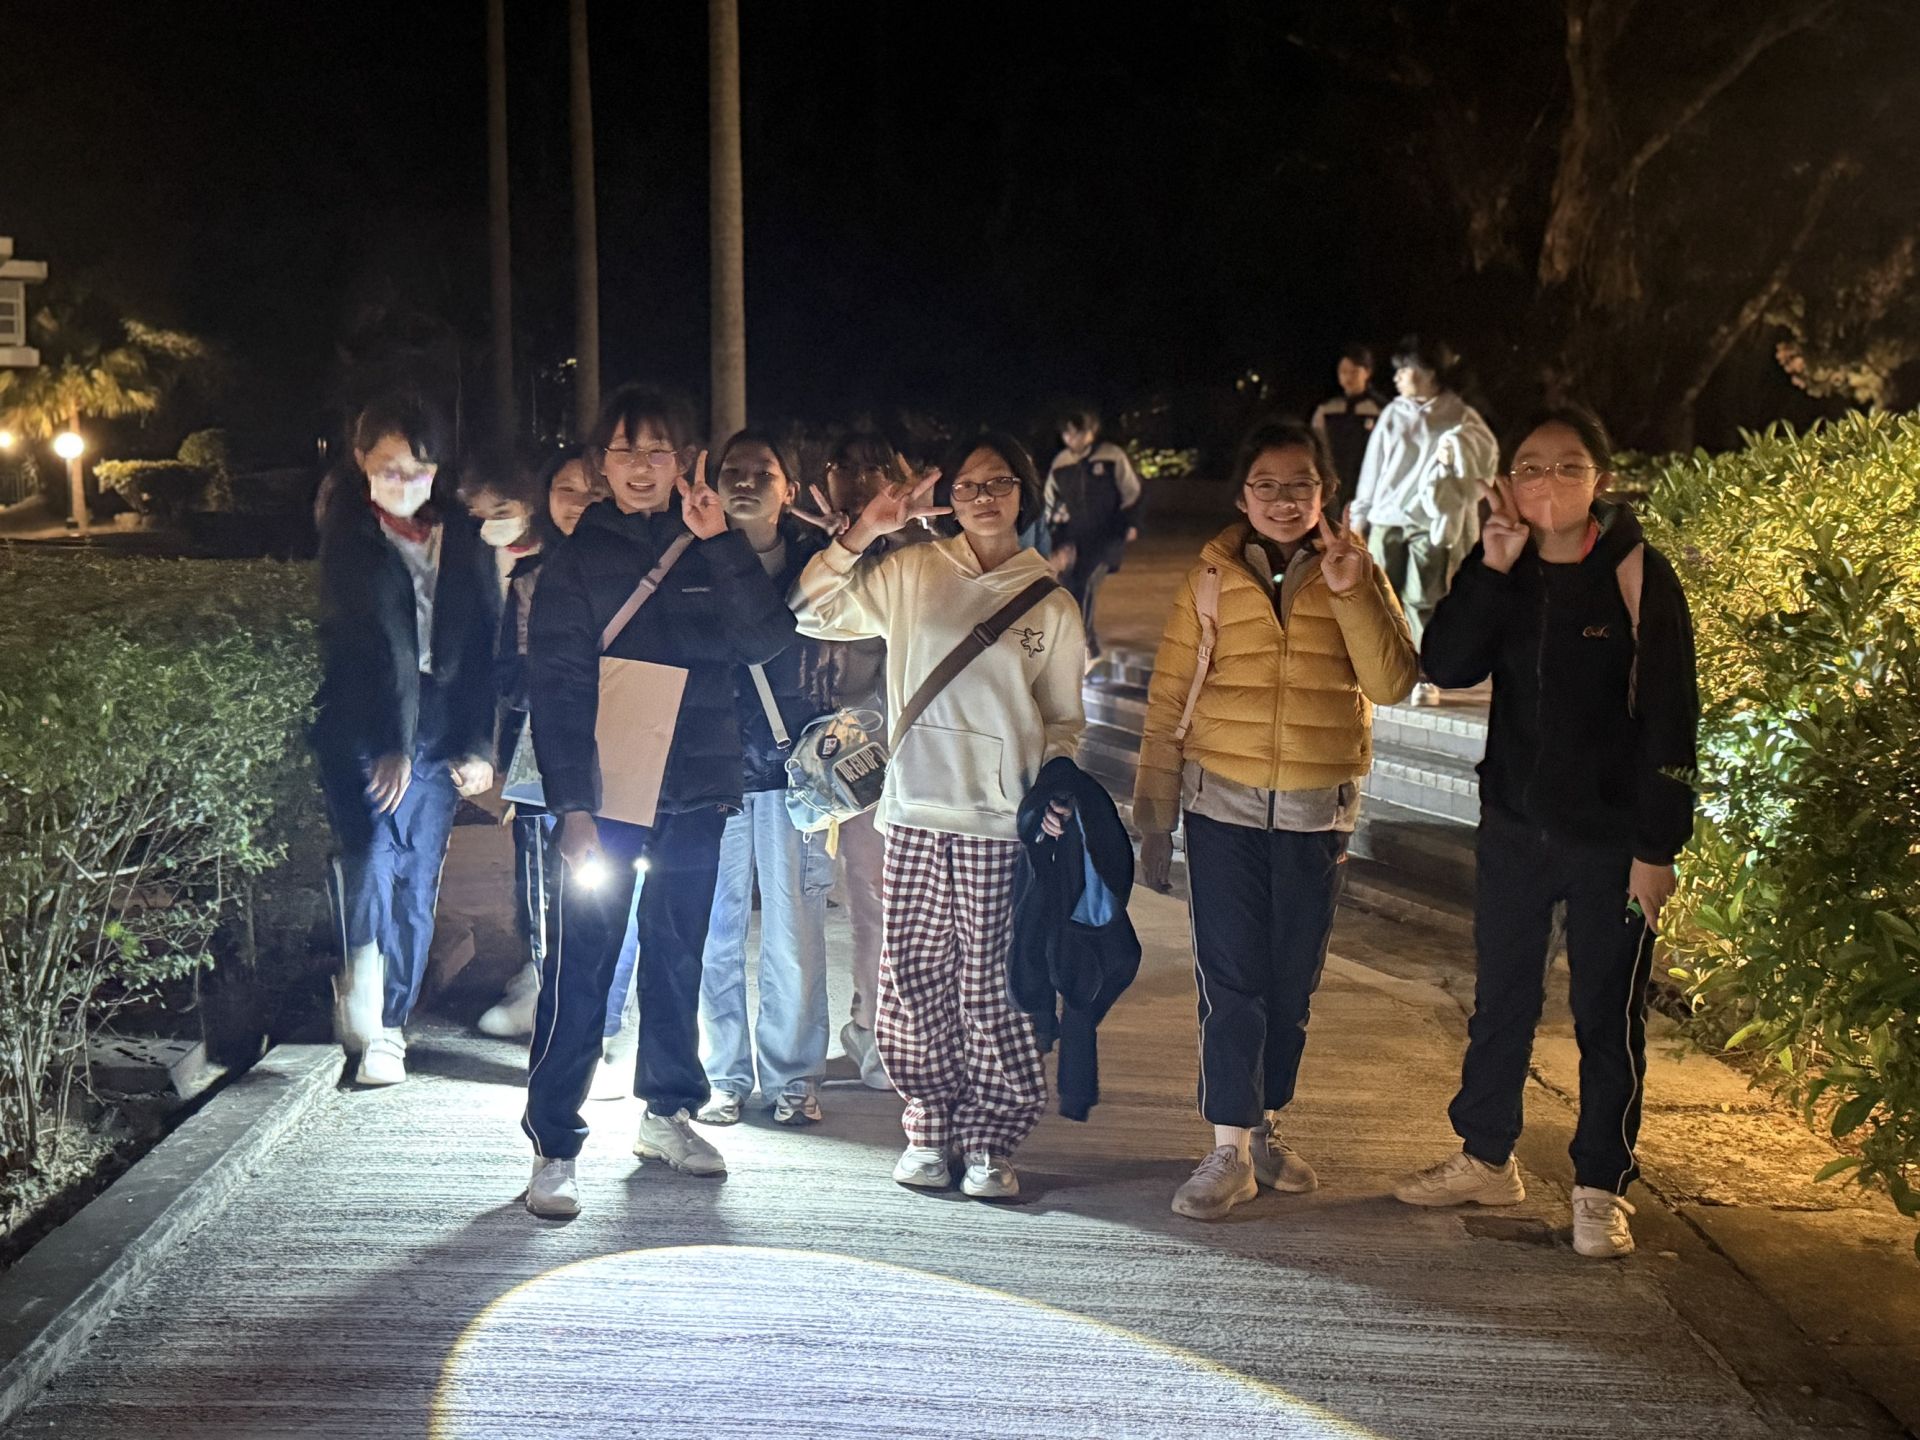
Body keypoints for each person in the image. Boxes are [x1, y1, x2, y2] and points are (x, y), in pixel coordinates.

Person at [1393, 405, 1698, 1260]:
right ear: (1507, 484)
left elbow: (1673, 719)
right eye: (1531, 467)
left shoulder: (1639, 574)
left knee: (1607, 1014)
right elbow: (1446, 664)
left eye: (1569, 466)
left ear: (1601, 479)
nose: (1549, 482)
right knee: (1502, 1001)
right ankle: (1487, 1156)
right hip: (1514, 829)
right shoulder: (1507, 567)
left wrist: (1657, 851)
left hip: (1613, 842)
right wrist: (1491, 567)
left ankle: (1600, 1187)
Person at [520, 386, 797, 1218]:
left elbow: (766, 641)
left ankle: (667, 1113)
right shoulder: (577, 558)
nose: (641, 467)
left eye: (657, 451)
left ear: (685, 461)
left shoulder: (709, 541)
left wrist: (721, 544)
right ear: (601, 465)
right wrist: (572, 806)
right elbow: (557, 686)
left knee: (678, 955)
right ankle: (555, 1143)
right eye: (624, 451)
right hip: (607, 793)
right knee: (582, 963)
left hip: (697, 787)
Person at [1133, 420, 1418, 1220]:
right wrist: (1154, 813)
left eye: (1300, 485)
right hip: (1221, 806)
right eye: (1267, 484)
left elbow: (1393, 683)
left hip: (1315, 813)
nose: (1284, 500)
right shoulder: (1210, 578)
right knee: (1232, 982)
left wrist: (1354, 590)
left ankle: (1263, 1126)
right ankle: (1226, 1149)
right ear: (1242, 496)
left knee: (1292, 984)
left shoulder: (1358, 573)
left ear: (1326, 494)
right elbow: (1168, 696)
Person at [791, 432, 1086, 1199]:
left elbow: (1063, 719)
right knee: (913, 976)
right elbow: (811, 609)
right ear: (948, 496)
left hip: (1000, 821)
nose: (984, 497)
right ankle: (927, 1126)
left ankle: (990, 1140)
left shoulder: (1050, 603)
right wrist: (866, 531)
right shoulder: (914, 570)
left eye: (1000, 482)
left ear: (1024, 493)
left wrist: (1054, 785)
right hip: (915, 811)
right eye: (969, 484)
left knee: (994, 986)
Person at [310, 394, 501, 1086]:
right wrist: (391, 740)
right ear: (362, 461)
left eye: (418, 470)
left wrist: (479, 745)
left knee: (418, 877)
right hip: (368, 728)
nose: (404, 484)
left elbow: (483, 643)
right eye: (389, 469)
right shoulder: (349, 537)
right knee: (371, 857)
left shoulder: (463, 536)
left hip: (442, 729)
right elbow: (364, 646)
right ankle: (364, 979)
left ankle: (391, 1022)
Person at [694, 429, 836, 1129]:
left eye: (764, 472)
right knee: (711, 931)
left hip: (794, 771)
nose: (746, 482)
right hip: (710, 767)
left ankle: (793, 1075)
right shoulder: (691, 556)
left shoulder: (817, 563)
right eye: (734, 471)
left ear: (791, 489)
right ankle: (722, 1073)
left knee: (795, 932)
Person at [473, 449, 615, 1044]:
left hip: (627, 745)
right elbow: (507, 671)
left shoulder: (642, 570)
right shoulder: (530, 578)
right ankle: (541, 989)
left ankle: (602, 1005)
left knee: (614, 874)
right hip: (542, 746)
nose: (579, 502)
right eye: (565, 489)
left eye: (592, 490)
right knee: (540, 867)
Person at [807, 431, 928, 1090]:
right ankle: (852, 1025)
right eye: (843, 465)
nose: (859, 478)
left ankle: (878, 1025)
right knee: (842, 897)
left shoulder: (922, 550)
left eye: (875, 466)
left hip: (890, 751)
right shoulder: (812, 543)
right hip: (810, 751)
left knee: (884, 894)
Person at [1348, 336, 1497, 693]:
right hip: (1387, 518)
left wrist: (1458, 457)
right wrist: (1360, 518)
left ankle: (1423, 674)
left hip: (1429, 522)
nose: (1397, 378)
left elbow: (1484, 460)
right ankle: (1382, 670)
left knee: (1423, 598)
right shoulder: (1393, 413)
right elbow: (1373, 468)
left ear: (1429, 372)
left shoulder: (1459, 414)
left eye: (1405, 370)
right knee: (1380, 597)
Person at [1043, 404, 1143, 660]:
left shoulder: (1111, 457)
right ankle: (1086, 644)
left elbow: (1132, 493)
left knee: (1086, 582)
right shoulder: (1061, 464)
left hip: (1107, 536)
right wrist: (1055, 542)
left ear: (1092, 431)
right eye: (1067, 433)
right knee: (1068, 586)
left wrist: (1131, 524)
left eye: (1078, 432)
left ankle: (1083, 645)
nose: (1072, 438)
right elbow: (1052, 506)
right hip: (1075, 539)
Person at [1310, 343, 1386, 495]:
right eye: (1343, 371)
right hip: (1333, 485)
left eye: (1354, 371)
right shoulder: (1326, 409)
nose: (1348, 377)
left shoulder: (1381, 410)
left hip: (1370, 486)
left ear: (1367, 372)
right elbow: (1317, 446)